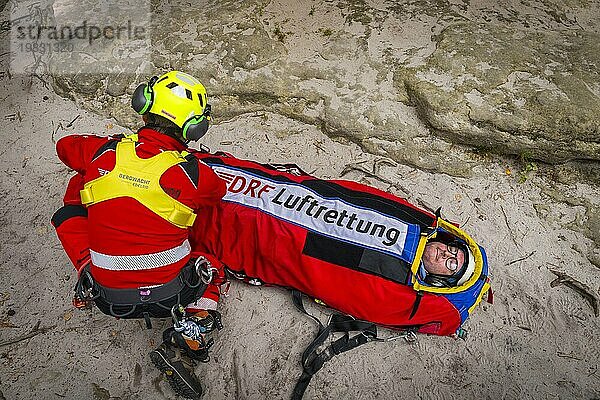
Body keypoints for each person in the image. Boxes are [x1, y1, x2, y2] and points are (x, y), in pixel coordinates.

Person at [51, 71, 228, 400]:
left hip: (108, 298)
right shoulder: (194, 174)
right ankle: (194, 329)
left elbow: (64, 148)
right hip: (173, 293)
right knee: (210, 262)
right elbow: (218, 192)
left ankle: (85, 274)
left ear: (142, 103)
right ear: (194, 128)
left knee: (76, 191)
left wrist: (112, 158)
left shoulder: (104, 151)